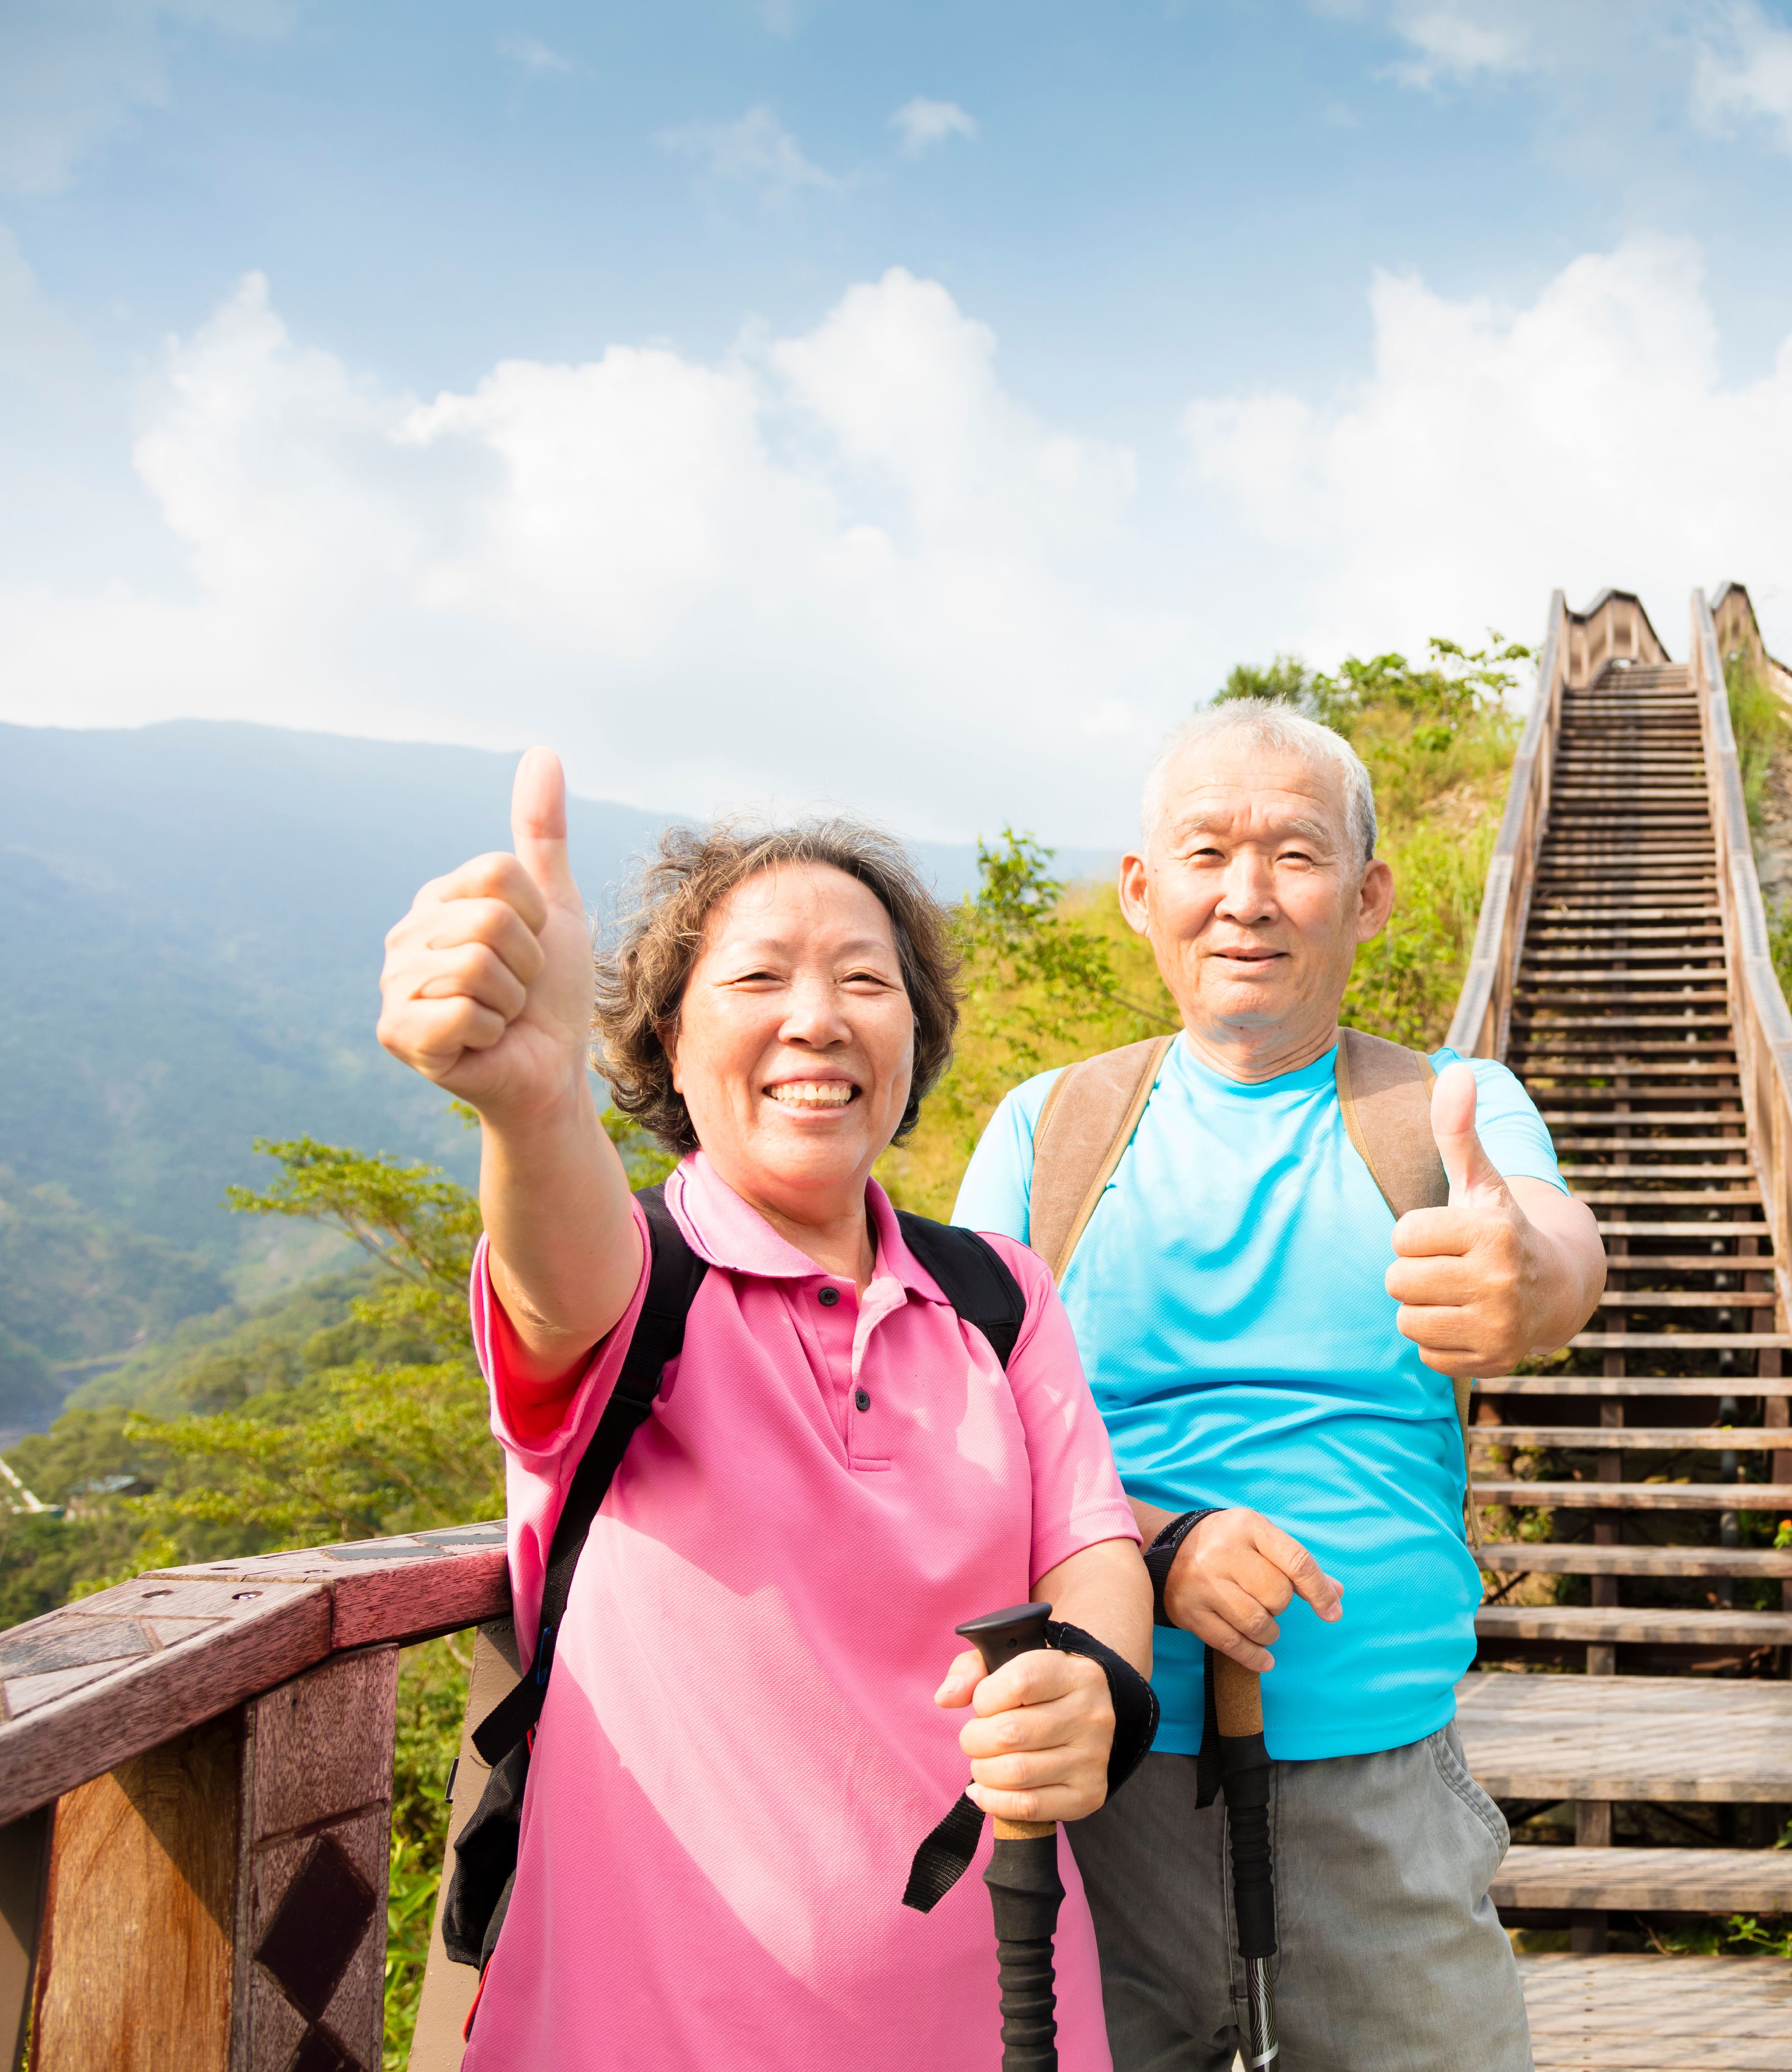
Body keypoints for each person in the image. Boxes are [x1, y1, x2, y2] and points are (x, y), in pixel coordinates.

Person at [376, 750, 1153, 2069]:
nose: (818, 1018)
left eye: (865, 979)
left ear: (916, 1032)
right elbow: (558, 1277)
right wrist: (532, 1098)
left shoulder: (997, 1293)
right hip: (659, 2031)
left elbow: (1087, 1545)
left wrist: (1094, 1688)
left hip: (1007, 2010)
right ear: (668, 1043)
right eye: (755, 979)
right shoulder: (641, 1289)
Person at [950, 700, 1606, 2072]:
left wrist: (1521, 1282)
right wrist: (1156, 1547)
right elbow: (966, 1444)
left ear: (1366, 897)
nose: (1246, 897)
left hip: (1374, 1798)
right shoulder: (1047, 1129)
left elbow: (1548, 1252)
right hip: (1093, 1786)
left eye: (1296, 857)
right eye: (1205, 853)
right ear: (1142, 893)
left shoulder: (1448, 1113)